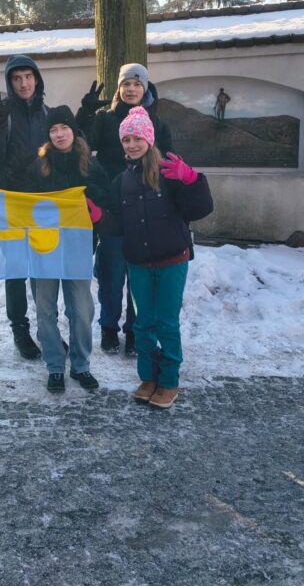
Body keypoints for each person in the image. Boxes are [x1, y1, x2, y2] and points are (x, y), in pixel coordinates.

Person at [104, 106, 213, 409]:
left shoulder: (169, 172)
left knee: (166, 323)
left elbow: (201, 209)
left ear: (149, 139)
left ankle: (169, 381)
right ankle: (148, 378)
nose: (132, 144)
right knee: (143, 324)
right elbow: (117, 225)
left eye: (137, 138)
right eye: (126, 139)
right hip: (138, 263)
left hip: (171, 261)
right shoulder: (121, 181)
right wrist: (99, 216)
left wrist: (191, 180)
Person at [76, 63, 173, 357]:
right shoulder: (105, 119)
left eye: (137, 83)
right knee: (112, 272)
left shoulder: (157, 124)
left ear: (145, 88)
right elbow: (82, 143)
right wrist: (86, 113)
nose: (131, 89)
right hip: (112, 208)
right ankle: (108, 327)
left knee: (140, 276)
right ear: (119, 88)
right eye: (126, 84)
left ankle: (134, 329)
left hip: (145, 211)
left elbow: (168, 163)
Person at [27, 106, 110, 393]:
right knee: (45, 310)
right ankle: (54, 366)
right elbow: (24, 204)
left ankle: (81, 365)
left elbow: (105, 200)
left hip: (78, 248)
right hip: (44, 249)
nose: (59, 134)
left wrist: (92, 203)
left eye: (64, 128)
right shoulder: (38, 166)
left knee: (81, 310)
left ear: (74, 131)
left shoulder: (91, 165)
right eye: (53, 130)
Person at [0, 54, 51, 360]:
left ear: (36, 79)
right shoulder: (4, 114)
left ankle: (47, 329)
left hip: (41, 203)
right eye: (16, 78)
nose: (23, 83)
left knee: (43, 270)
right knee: (16, 270)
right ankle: (20, 330)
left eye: (28, 77)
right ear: (10, 82)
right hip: (10, 201)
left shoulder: (47, 113)